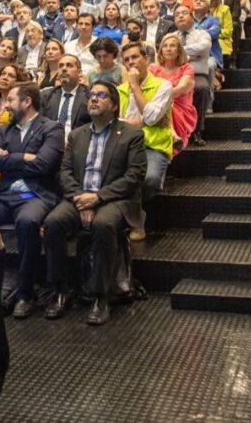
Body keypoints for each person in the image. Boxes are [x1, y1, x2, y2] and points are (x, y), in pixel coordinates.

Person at [43, 81, 147, 325]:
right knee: (53, 222)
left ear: (113, 104)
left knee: (103, 224)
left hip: (115, 198)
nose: (93, 99)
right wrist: (81, 198)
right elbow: (65, 172)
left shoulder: (131, 133)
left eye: (101, 95)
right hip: (80, 196)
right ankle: (60, 289)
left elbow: (135, 176)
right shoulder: (77, 134)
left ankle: (101, 295)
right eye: (91, 95)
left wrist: (98, 198)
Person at [0, 84, 65, 318]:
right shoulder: (5, 130)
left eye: (10, 100)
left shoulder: (52, 128)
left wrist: (8, 158)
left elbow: (43, 165)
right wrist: (23, 158)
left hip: (35, 192)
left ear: (27, 102)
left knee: (28, 222)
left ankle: (26, 292)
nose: (5, 105)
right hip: (6, 191)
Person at [117, 42, 174, 241]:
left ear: (146, 59)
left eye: (135, 57)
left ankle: (133, 217)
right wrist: (138, 122)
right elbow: (114, 122)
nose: (130, 62)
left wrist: (134, 86)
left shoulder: (163, 85)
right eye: (126, 60)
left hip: (152, 145)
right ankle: (135, 220)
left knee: (148, 180)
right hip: (124, 145)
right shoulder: (119, 90)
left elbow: (149, 118)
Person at [172, 4, 213, 146]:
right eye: (177, 14)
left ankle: (197, 131)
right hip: (174, 76)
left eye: (184, 13)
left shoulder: (202, 34)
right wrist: (190, 55)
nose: (180, 16)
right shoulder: (170, 37)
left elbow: (203, 48)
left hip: (196, 75)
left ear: (192, 16)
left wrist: (178, 52)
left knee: (202, 88)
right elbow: (165, 54)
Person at [149, 35, 197, 155]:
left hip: (180, 108)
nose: (168, 49)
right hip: (156, 105)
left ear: (179, 50)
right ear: (161, 50)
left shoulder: (186, 68)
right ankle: (171, 137)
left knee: (166, 106)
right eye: (165, 46)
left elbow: (180, 89)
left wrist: (162, 97)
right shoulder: (152, 68)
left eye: (172, 46)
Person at [39, 54, 91, 142]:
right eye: (60, 66)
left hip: (78, 144)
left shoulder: (89, 95)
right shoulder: (46, 95)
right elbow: (39, 124)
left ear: (79, 72)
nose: (64, 69)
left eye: (69, 65)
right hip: (49, 143)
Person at [64, 12, 98, 80]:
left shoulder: (99, 45)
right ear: (76, 26)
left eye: (87, 24)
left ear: (93, 27)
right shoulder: (68, 46)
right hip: (71, 81)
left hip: (94, 81)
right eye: (80, 24)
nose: (83, 27)